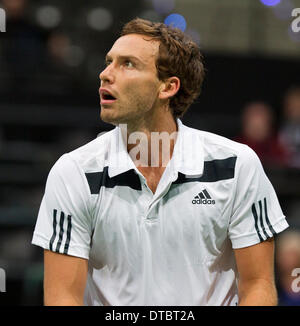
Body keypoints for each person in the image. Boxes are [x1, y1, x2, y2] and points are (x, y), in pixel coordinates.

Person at [32, 18, 289, 306]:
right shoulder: (74, 172)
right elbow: (62, 297)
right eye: (109, 62)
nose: (105, 74)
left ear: (168, 87)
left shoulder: (236, 165)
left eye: (127, 64)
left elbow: (258, 285)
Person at [235, 101, 289, 168]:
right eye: (253, 125)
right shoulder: (235, 148)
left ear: (269, 125)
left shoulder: (278, 147)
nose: (257, 131)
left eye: (261, 126)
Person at [279, 86, 300, 169]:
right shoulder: (284, 129)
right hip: (288, 174)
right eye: (290, 106)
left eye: (297, 106)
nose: (293, 110)